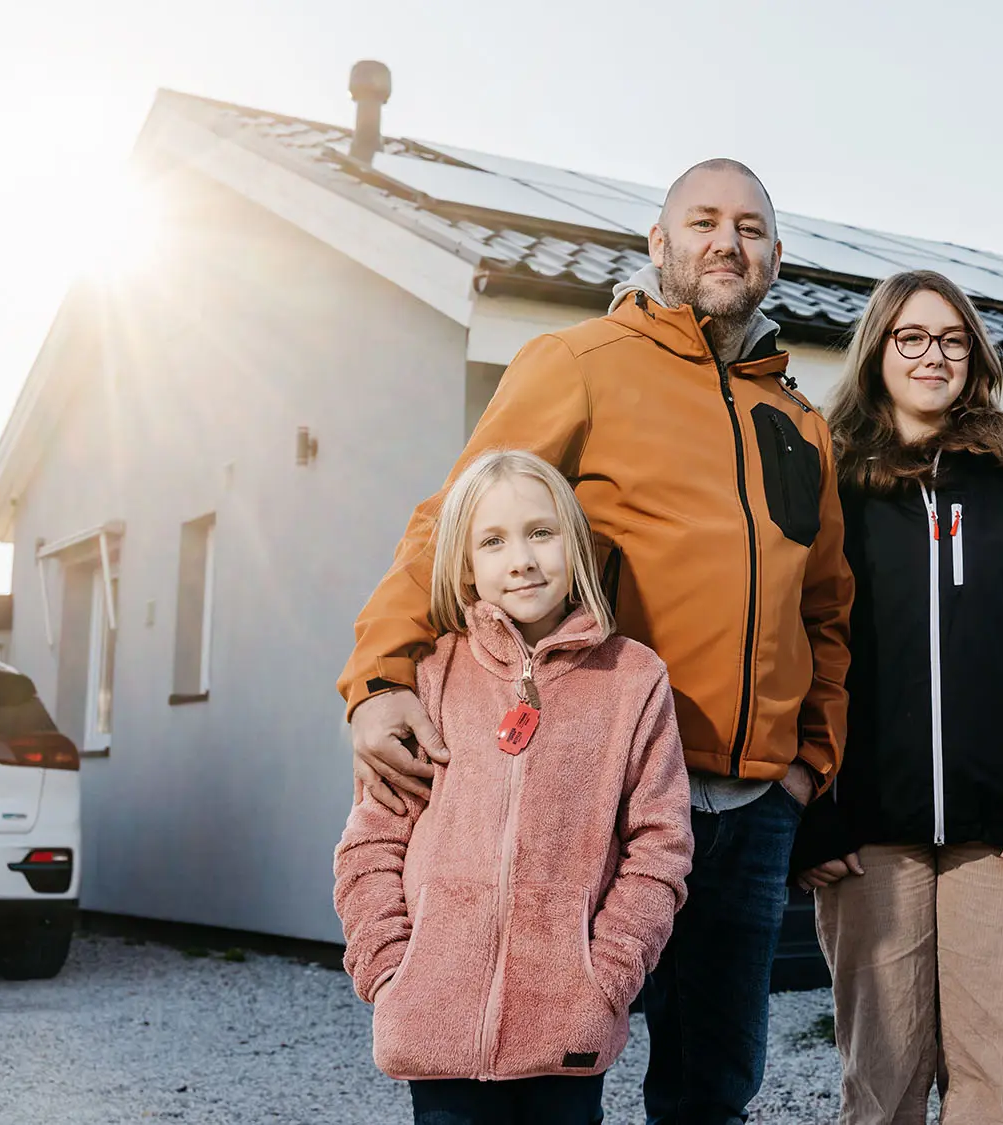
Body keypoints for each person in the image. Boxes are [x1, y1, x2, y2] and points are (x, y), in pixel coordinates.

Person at [336, 160, 854, 1125]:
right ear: (659, 246)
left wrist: (805, 766)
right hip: (598, 788)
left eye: (748, 227)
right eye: (701, 221)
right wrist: (378, 675)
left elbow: (825, 611)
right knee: (556, 1069)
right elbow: (455, 522)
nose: (724, 241)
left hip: (750, 812)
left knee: (713, 1087)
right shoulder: (578, 363)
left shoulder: (801, 425)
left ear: (775, 258)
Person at [794, 270, 1003, 1124]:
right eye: (912, 337)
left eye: (952, 339)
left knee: (991, 1080)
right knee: (882, 1081)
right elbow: (788, 642)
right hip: (866, 835)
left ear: (974, 354)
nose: (933, 355)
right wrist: (811, 809)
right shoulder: (827, 476)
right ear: (878, 350)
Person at [333, 449, 693, 1124]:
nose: (521, 559)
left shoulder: (632, 679)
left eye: (540, 532)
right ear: (467, 565)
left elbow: (660, 845)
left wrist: (607, 977)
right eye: (493, 541)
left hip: (566, 1030)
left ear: (575, 543)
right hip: (435, 1025)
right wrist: (388, 970)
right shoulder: (432, 677)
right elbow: (371, 841)